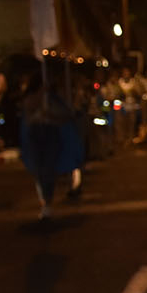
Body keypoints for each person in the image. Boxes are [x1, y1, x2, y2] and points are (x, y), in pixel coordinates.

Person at [19, 71, 84, 219]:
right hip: (36, 138)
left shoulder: (52, 100)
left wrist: (50, 115)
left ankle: (47, 202)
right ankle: (44, 200)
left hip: (50, 137)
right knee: (39, 171)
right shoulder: (31, 100)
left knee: (49, 170)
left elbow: (65, 115)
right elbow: (29, 118)